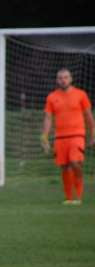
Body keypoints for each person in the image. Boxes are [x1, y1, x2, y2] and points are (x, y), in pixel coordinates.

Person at [41, 68, 94, 204]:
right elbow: (48, 118)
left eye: (65, 77)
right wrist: (44, 136)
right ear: (57, 80)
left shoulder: (80, 94)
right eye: (60, 78)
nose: (63, 80)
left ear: (70, 79)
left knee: (75, 162)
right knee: (64, 166)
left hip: (77, 135)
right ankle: (69, 197)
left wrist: (92, 133)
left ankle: (79, 195)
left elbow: (88, 116)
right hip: (60, 137)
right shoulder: (52, 97)